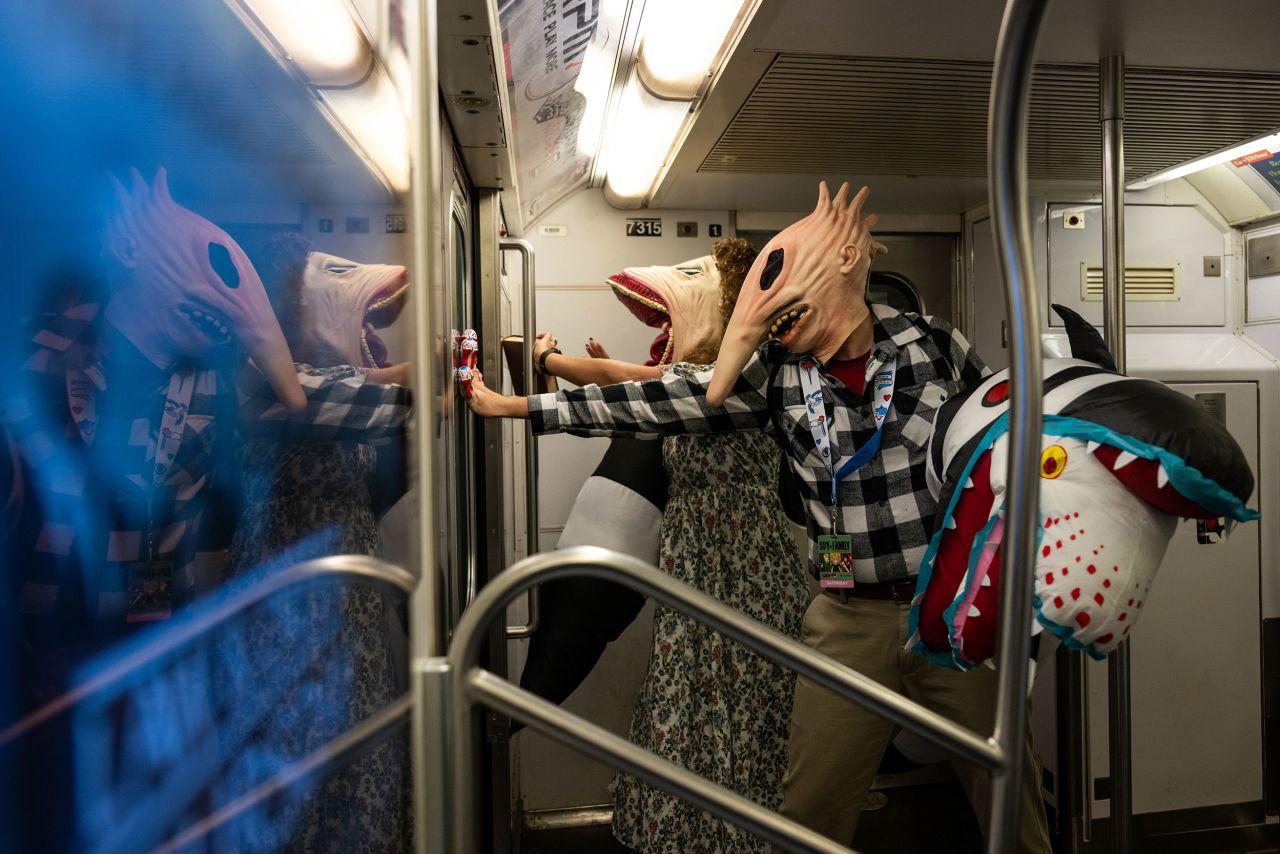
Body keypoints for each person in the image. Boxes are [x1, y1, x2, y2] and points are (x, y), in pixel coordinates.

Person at [468, 183, 1051, 852]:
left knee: (1009, 790)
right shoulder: (774, 371)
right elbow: (653, 401)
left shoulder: (933, 345)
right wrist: (514, 408)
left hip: (942, 609)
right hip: (848, 620)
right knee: (809, 810)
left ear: (844, 264)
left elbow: (1000, 442)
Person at [0, 170, 413, 852]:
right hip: (50, 660)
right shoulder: (41, 358)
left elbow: (307, 395)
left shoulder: (207, 378)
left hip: (159, 651)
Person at [497, 238, 811, 853]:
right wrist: (554, 364)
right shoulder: (693, 378)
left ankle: (734, 838)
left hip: (738, 571)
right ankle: (700, 835)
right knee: (692, 700)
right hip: (699, 565)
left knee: (737, 706)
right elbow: (626, 381)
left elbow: (625, 392)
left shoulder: (736, 382)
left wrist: (511, 400)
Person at [220, 234, 414, 852]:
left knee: (363, 770)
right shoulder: (262, 382)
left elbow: (362, 386)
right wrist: (431, 375)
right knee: (292, 775)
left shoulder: (335, 377)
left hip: (349, 607)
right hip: (288, 607)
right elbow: (348, 401)